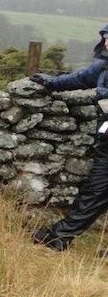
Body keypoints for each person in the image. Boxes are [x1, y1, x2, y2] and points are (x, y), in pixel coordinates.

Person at [30, 24, 108, 251]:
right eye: (105, 38)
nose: (106, 43)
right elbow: (79, 79)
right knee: (95, 192)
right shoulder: (103, 67)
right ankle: (59, 237)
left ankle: (59, 236)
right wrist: (51, 82)